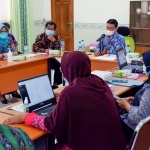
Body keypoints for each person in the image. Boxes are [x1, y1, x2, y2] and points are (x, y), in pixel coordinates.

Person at [3, 51, 126, 150]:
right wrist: (64, 96)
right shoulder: (99, 82)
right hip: (114, 144)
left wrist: (26, 117)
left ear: (69, 69)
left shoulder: (70, 93)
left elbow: (52, 125)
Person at [116, 50, 150, 142]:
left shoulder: (149, 90)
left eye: (144, 64)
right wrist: (136, 99)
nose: (143, 67)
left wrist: (126, 106)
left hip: (135, 130)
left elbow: (139, 118)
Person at [33, 21, 62, 87]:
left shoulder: (55, 37)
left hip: (51, 57)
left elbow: (59, 48)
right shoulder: (40, 37)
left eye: (52, 29)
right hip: (41, 58)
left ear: (54, 30)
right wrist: (44, 50)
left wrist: (54, 41)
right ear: (45, 28)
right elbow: (35, 48)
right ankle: (45, 84)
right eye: (48, 28)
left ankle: (55, 84)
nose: (50, 30)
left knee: (57, 64)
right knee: (47, 66)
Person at [0, 24, 20, 104]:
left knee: (13, 71)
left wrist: (15, 52)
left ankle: (14, 91)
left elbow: (13, 48)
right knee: (3, 75)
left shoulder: (9, 39)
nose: (4, 33)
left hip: (7, 61)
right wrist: (3, 55)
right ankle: (2, 95)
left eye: (5, 31)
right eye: (2, 31)